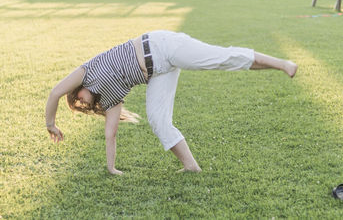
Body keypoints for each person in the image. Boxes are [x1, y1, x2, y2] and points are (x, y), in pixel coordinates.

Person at [46, 30, 297, 175]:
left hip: (160, 47)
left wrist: (51, 123)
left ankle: (281, 64)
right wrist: (111, 168)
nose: (80, 103)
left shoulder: (86, 72)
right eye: (80, 106)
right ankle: (191, 166)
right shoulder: (110, 100)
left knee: (219, 58)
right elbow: (110, 135)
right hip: (159, 71)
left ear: (77, 89)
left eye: (76, 99)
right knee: (158, 120)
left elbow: (55, 92)